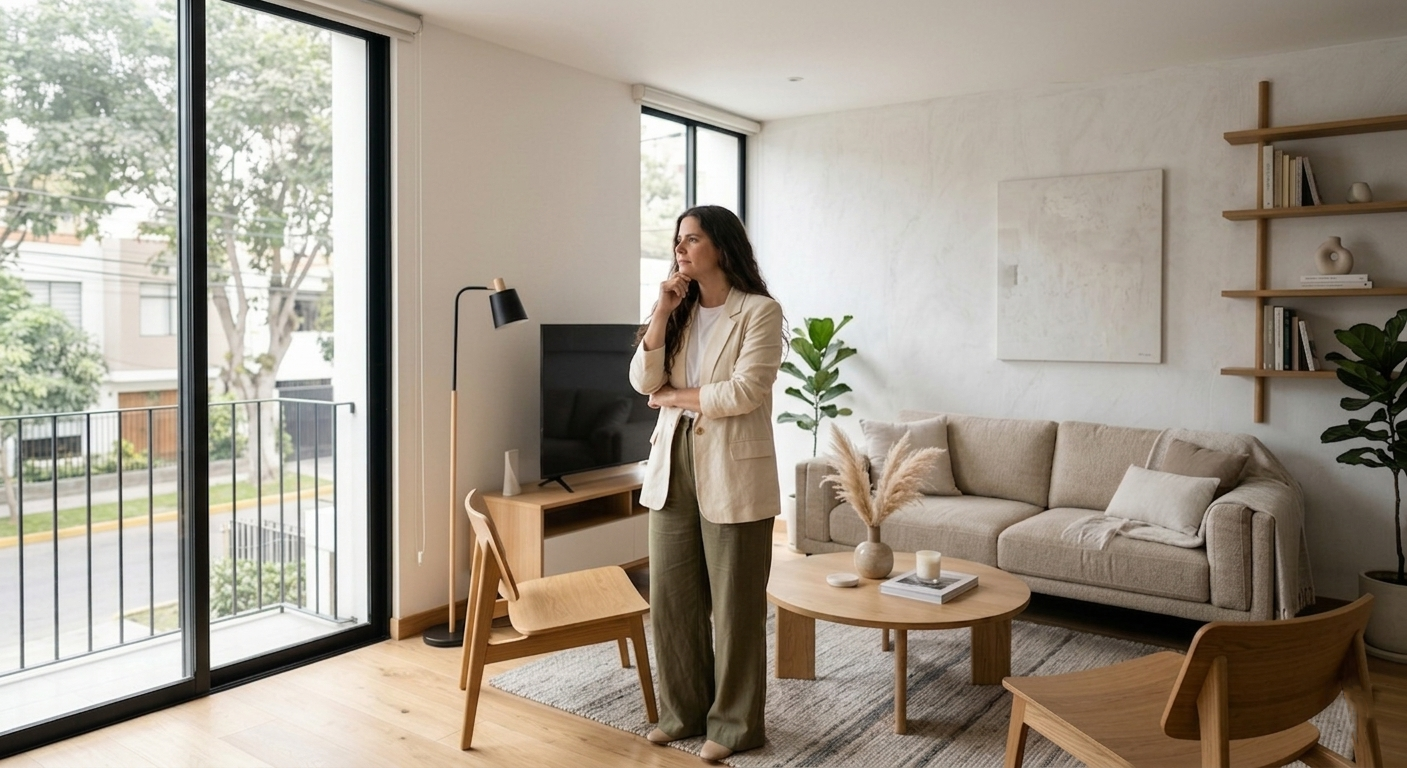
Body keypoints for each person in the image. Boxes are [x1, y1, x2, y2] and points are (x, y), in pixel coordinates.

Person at [630, 205, 784, 763]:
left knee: (736, 605)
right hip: (672, 461)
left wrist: (673, 398)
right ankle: (683, 712)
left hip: (733, 469)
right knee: (672, 599)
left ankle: (736, 724)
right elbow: (642, 378)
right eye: (678, 241)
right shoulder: (681, 310)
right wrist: (660, 312)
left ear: (720, 246)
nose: (681, 249)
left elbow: (744, 392)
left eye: (691, 239)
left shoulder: (760, 313)